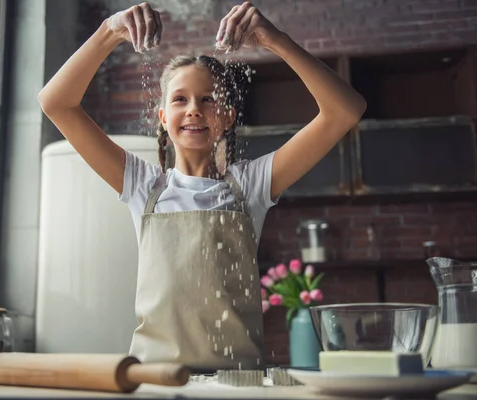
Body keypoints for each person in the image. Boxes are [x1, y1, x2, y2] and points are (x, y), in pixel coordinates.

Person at [38, 1, 366, 371]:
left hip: (238, 382)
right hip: (155, 379)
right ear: (163, 119)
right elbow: (56, 104)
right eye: (180, 99)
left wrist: (277, 41)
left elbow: (345, 110)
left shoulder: (252, 184)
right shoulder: (142, 185)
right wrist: (110, 31)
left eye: (208, 99)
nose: (194, 109)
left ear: (226, 117)